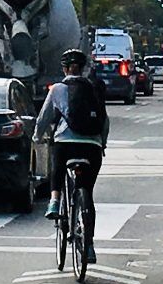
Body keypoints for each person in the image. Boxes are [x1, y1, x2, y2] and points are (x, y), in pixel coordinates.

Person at [34, 49, 109, 264]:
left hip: (66, 143)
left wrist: (38, 137)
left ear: (64, 69)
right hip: (92, 147)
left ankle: (55, 201)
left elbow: (43, 119)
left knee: (57, 161)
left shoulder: (58, 89)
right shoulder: (94, 88)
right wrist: (101, 142)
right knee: (88, 193)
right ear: (84, 68)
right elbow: (105, 121)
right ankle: (90, 245)